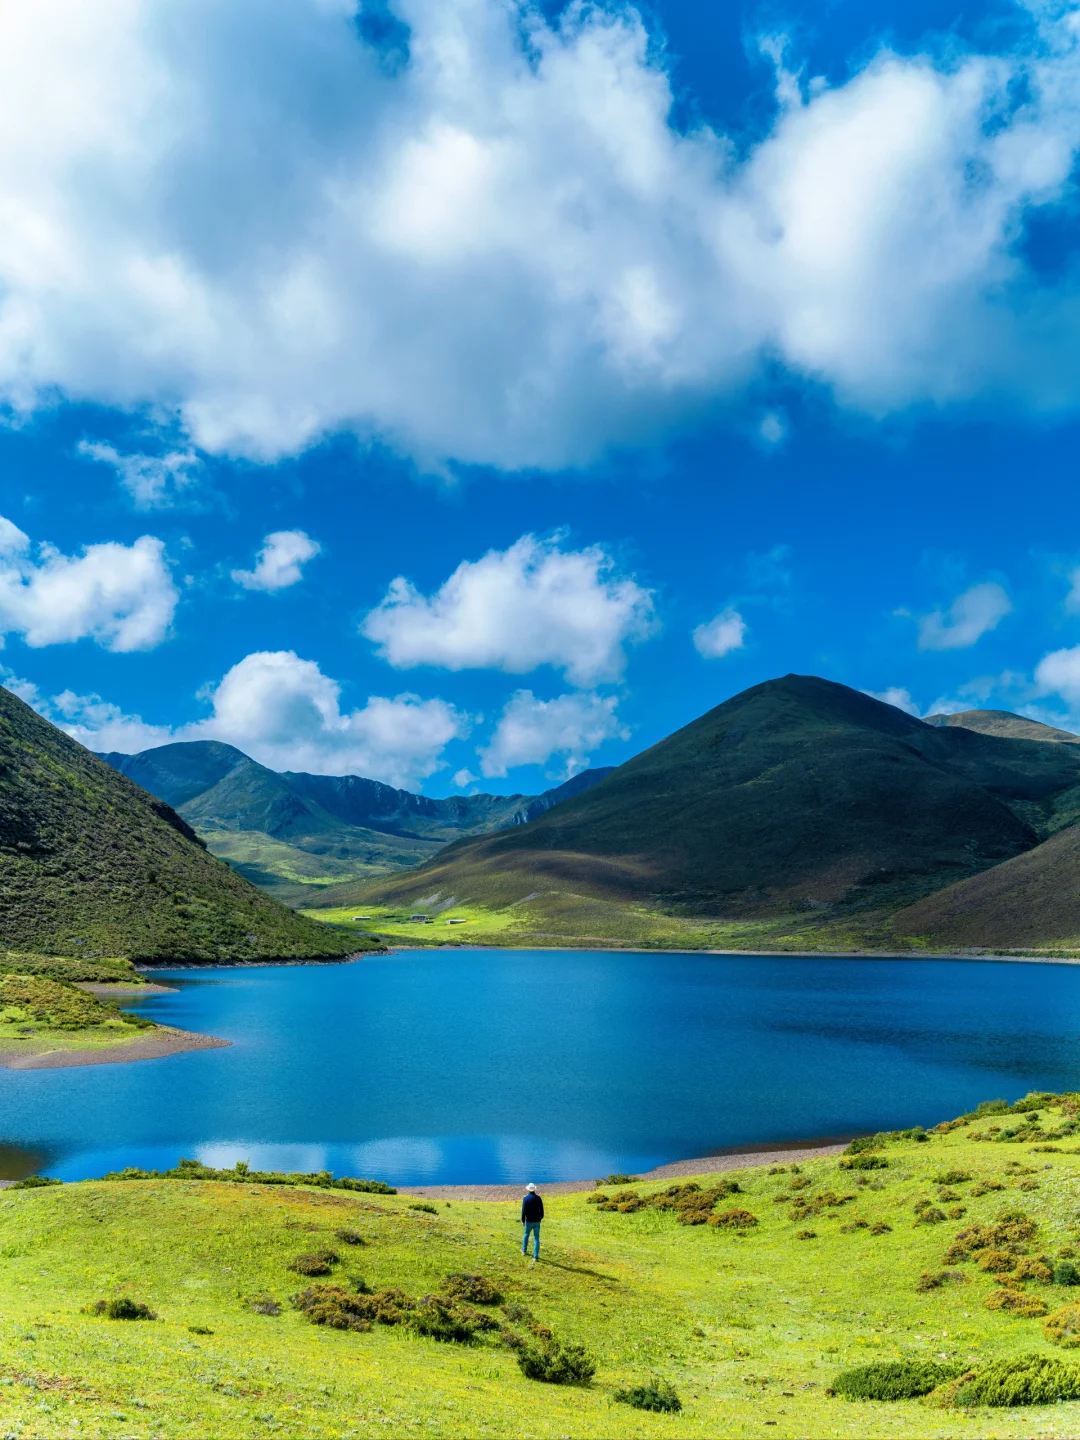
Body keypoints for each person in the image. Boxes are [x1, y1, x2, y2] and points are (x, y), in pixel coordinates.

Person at [521, 1181, 543, 1262]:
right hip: (537, 1221)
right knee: (536, 1238)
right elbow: (542, 1210)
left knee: (526, 1234)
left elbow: (523, 1211)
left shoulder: (526, 1199)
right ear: (534, 1189)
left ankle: (524, 1250)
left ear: (528, 1190)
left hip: (529, 1221)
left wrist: (523, 1220)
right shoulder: (538, 1198)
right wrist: (540, 1218)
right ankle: (535, 1256)